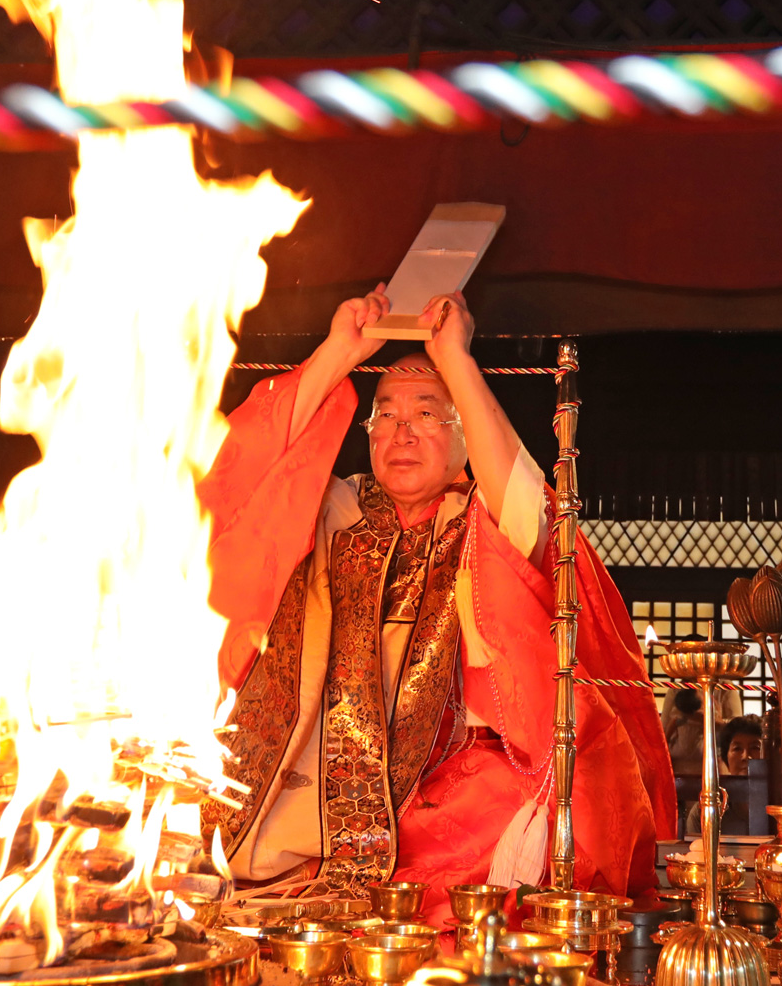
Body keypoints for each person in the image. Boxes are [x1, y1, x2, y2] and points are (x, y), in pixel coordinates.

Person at [200, 287, 672, 921]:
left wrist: (454, 358)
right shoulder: (329, 513)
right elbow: (229, 479)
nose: (401, 432)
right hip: (300, 798)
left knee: (559, 803)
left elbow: (537, 524)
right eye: (386, 415)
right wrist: (341, 352)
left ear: (463, 437)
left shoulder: (476, 525)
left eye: (427, 413)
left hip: (436, 794)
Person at [684, 715, 765, 834]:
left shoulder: (781, 810)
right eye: (737, 749)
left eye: (755, 748)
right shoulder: (705, 812)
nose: (746, 757)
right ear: (725, 757)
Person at [666, 687, 705, 771]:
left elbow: (670, 729)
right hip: (699, 750)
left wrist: (665, 742)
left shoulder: (681, 717)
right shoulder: (702, 717)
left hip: (678, 749)